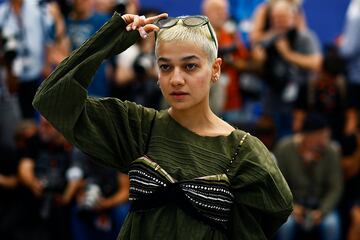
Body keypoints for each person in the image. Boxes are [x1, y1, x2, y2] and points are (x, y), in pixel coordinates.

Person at [32, 12, 293, 239]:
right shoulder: (138, 128)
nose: (176, 79)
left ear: (215, 69)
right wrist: (111, 39)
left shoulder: (243, 151)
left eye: (190, 66)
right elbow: (53, 100)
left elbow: (274, 211)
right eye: (165, 67)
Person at [274, 114, 343, 240]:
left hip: (320, 205)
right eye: (319, 137)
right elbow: (277, 184)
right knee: (286, 225)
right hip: (292, 205)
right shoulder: (285, 149)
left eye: (326, 136)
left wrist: (322, 211)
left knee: (331, 224)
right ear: (306, 135)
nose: (323, 141)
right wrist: (292, 207)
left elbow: (336, 188)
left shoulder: (331, 152)